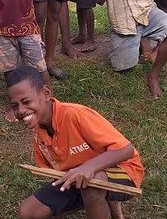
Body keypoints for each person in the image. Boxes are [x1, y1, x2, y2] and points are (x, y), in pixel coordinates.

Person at [7, 65, 144, 219]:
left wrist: (88, 167)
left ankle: (104, 198)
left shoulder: (75, 115)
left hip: (123, 170)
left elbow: (126, 150)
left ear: (46, 93)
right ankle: (102, 200)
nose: (21, 110)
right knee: (28, 213)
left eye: (26, 101)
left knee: (92, 184)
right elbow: (57, 175)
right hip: (78, 179)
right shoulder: (39, 135)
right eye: (15, 106)